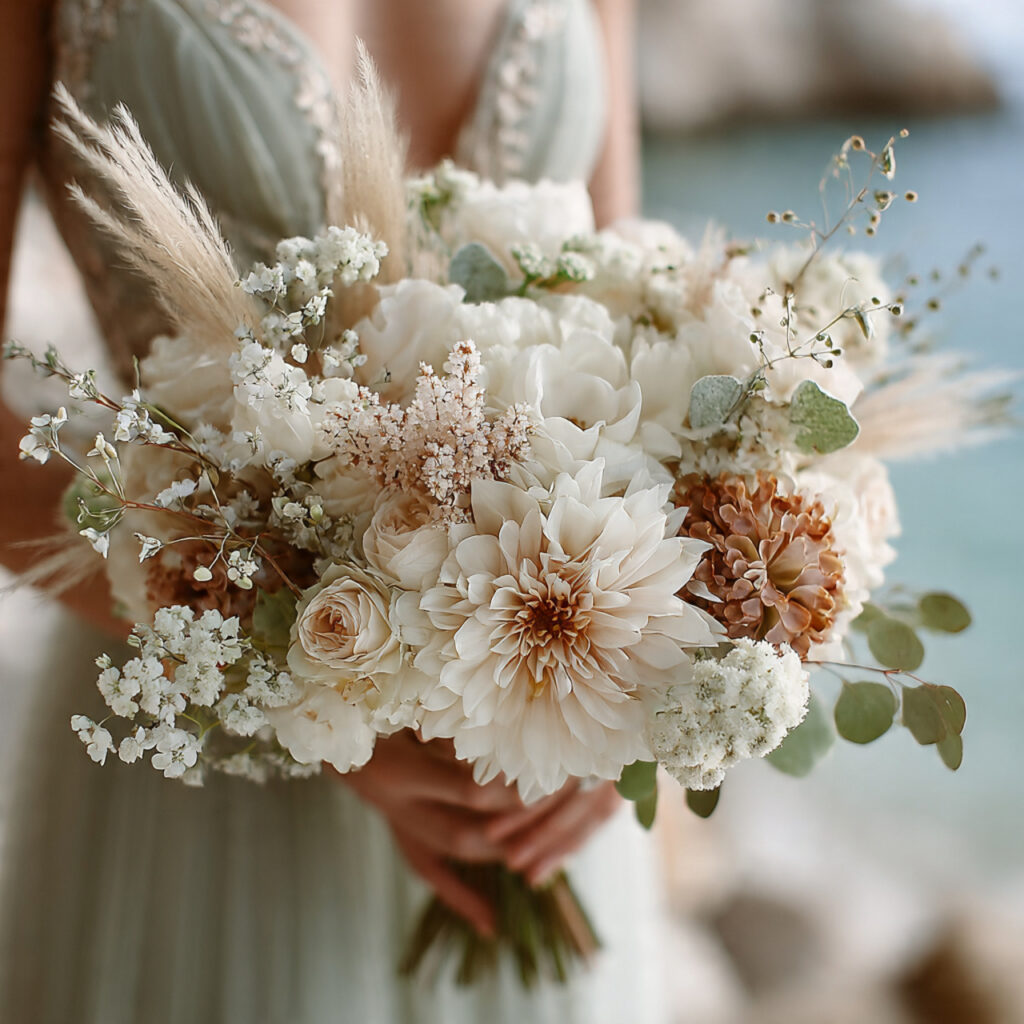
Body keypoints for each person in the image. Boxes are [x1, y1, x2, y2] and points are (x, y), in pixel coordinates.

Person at [0, 2, 666, 1021]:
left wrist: (640, 688)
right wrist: (286, 679)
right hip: (200, 758)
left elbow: (642, 330)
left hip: (538, 768)